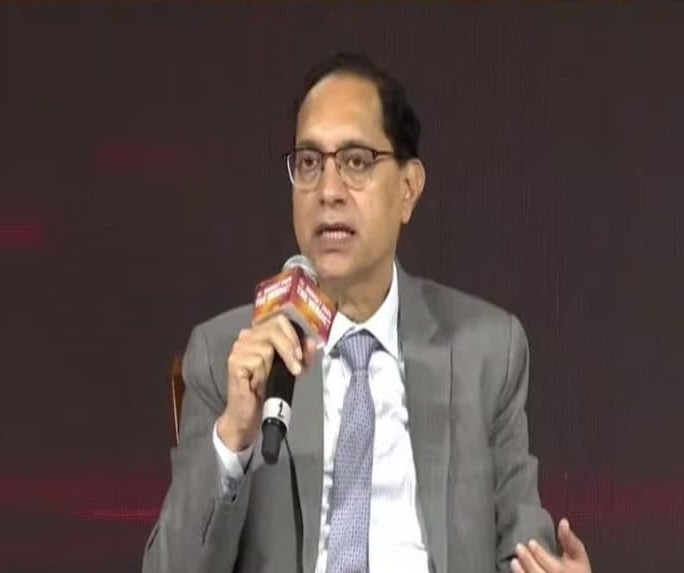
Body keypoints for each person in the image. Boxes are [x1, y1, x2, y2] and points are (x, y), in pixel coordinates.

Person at [142, 52, 592, 573]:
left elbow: (523, 548)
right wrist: (233, 438)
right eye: (309, 163)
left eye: (356, 162)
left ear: (408, 188)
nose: (328, 191)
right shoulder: (228, 357)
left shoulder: (485, 353)